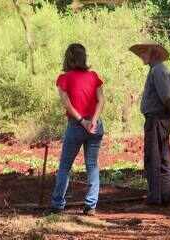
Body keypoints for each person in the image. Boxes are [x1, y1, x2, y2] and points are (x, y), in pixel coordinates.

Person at [51, 43, 105, 216]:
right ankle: (90, 206)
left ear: (68, 58)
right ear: (84, 57)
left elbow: (67, 103)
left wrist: (82, 121)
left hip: (77, 125)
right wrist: (93, 122)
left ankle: (58, 205)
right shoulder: (93, 76)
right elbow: (101, 100)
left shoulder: (64, 78)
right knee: (92, 165)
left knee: (65, 166)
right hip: (95, 126)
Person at [129, 42, 170, 205]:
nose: (141, 56)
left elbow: (168, 97)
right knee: (163, 156)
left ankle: (155, 196)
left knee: (154, 157)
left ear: (153, 54)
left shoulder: (158, 70)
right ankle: (167, 194)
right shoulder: (160, 70)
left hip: (156, 119)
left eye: (144, 52)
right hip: (160, 118)